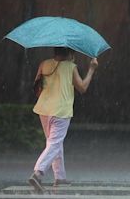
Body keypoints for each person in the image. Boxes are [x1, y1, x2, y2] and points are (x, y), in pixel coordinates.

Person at [28, 47, 98, 192]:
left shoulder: (44, 64)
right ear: (71, 53)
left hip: (44, 109)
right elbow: (82, 88)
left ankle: (60, 178)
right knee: (54, 143)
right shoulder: (71, 67)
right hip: (61, 111)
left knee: (54, 143)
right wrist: (91, 70)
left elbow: (37, 85)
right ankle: (38, 173)